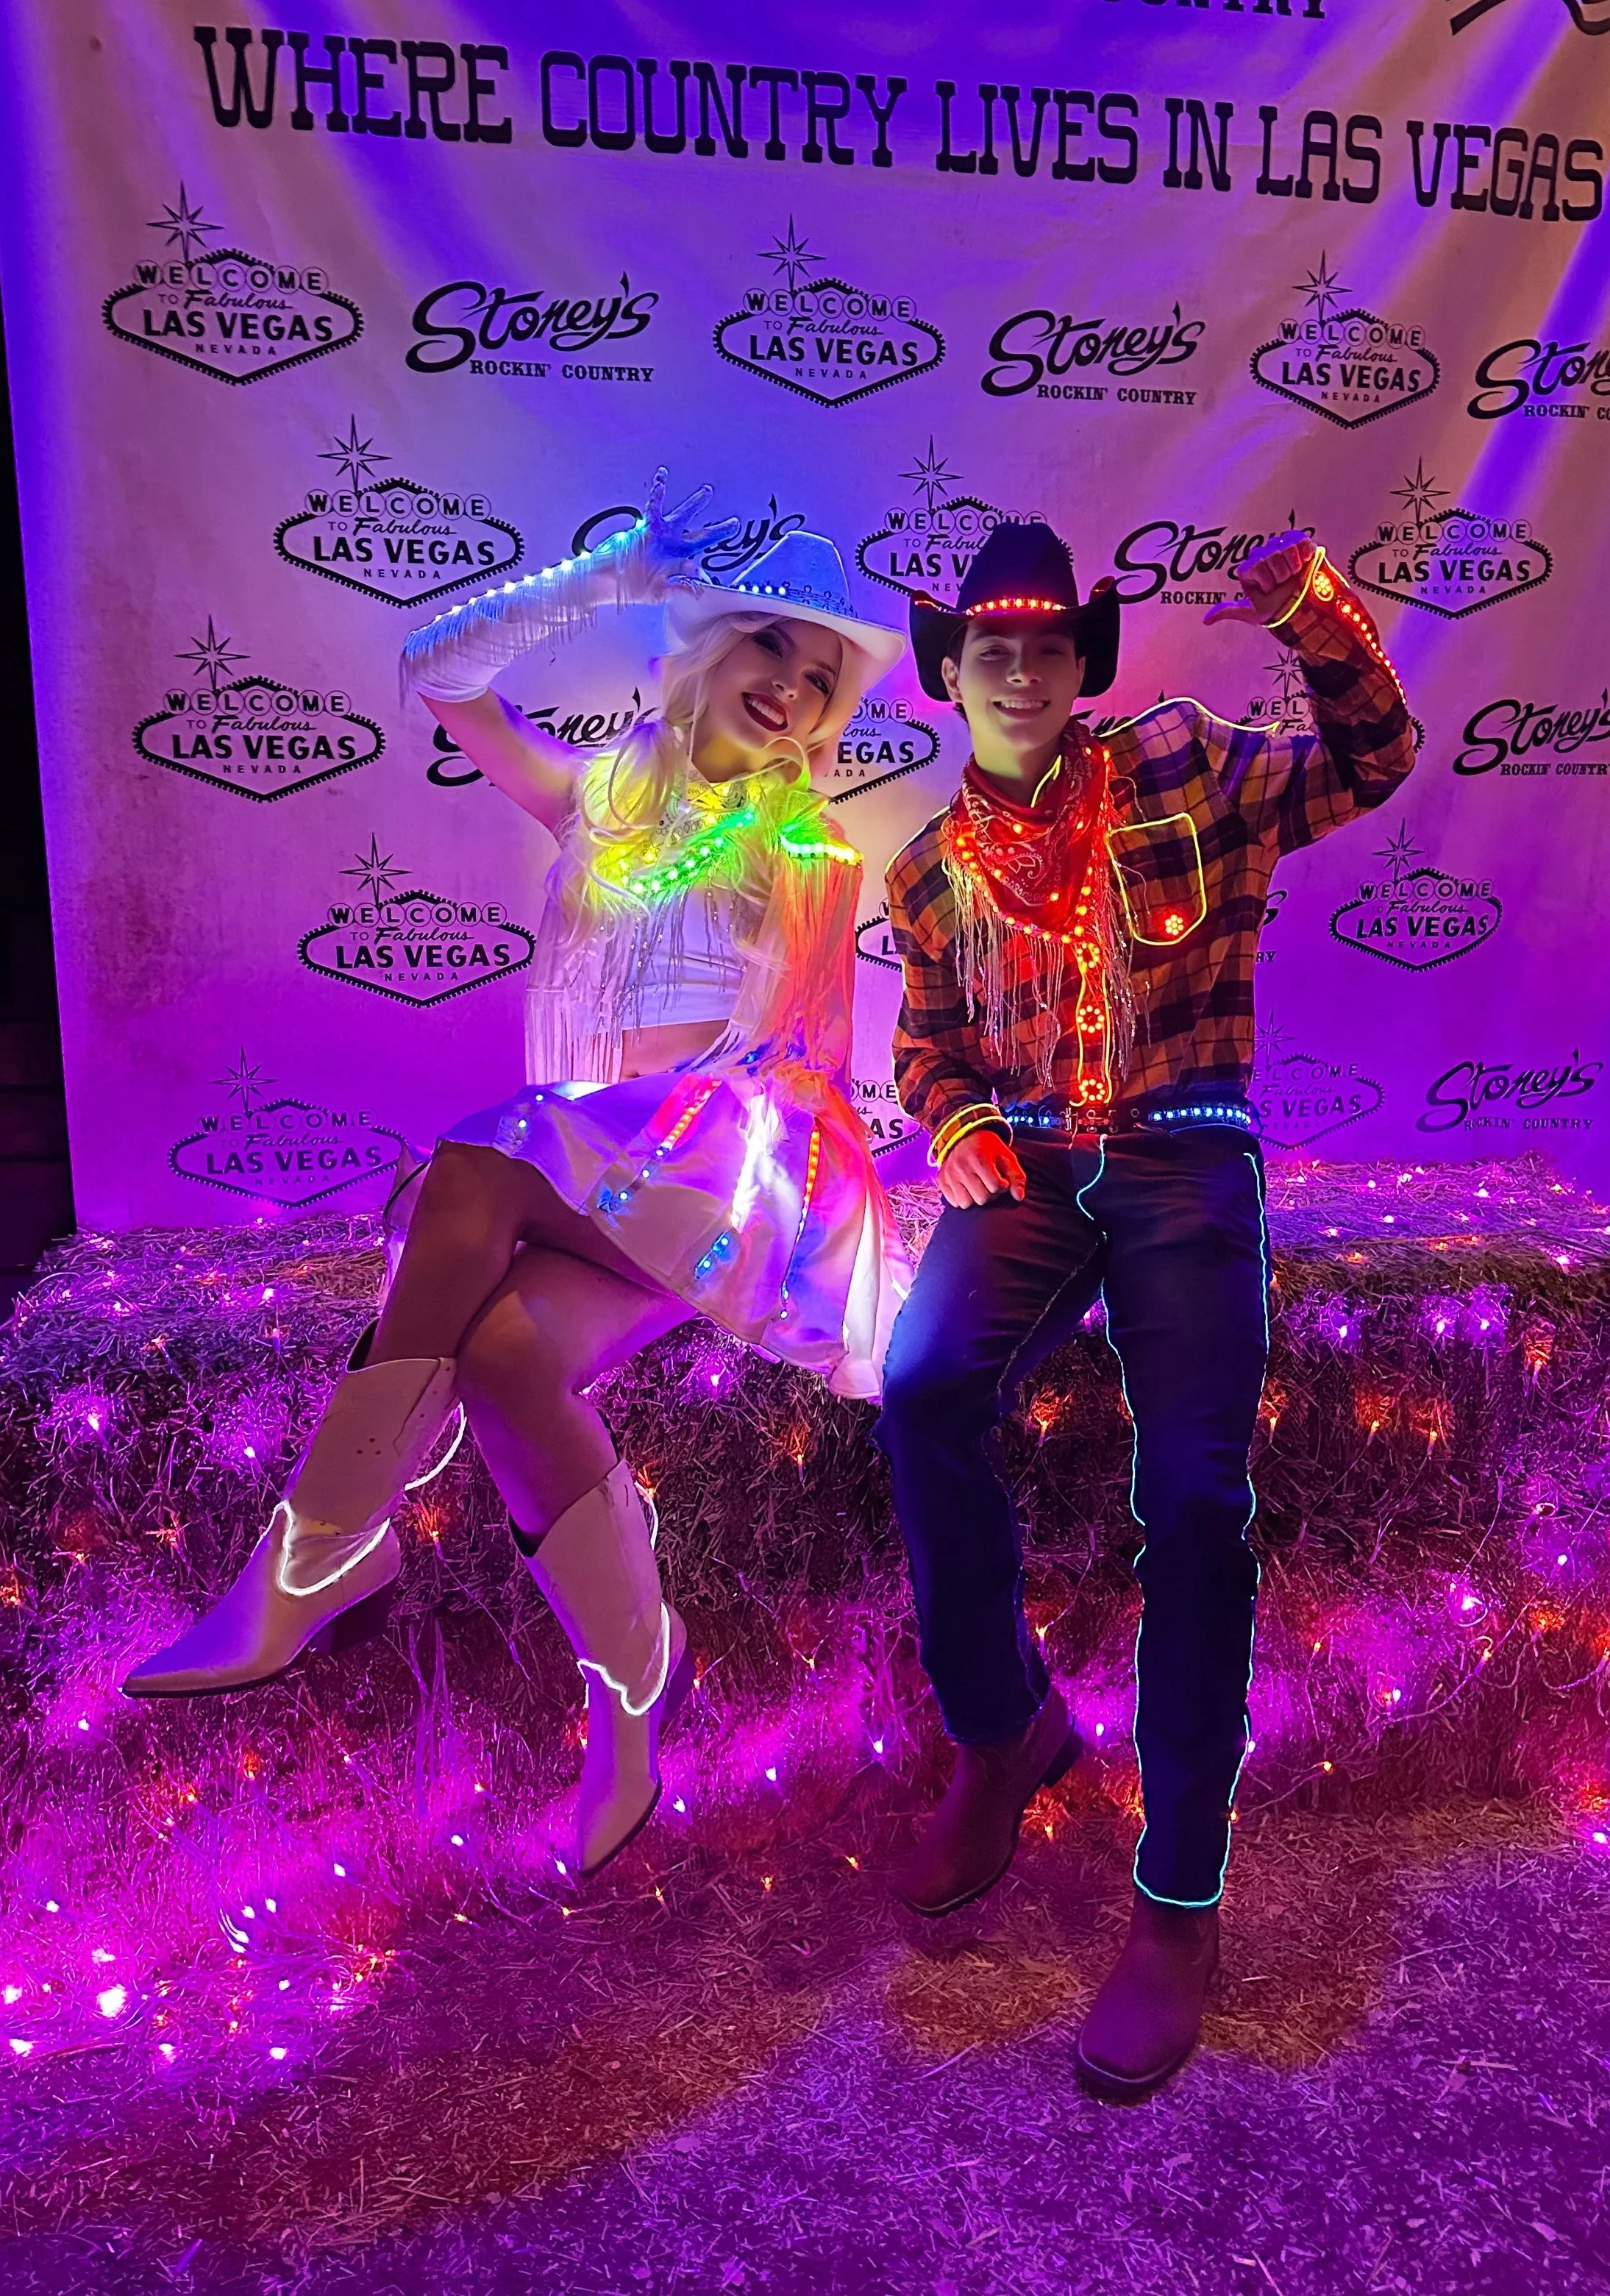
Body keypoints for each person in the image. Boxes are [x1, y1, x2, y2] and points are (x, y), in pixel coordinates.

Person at [127, 477, 913, 1879]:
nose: (790, 688)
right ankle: (635, 1686)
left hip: (725, 1177)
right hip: (594, 1175)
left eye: (820, 675)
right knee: (499, 1354)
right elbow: (443, 675)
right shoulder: (598, 802)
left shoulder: (808, 851)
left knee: (478, 1164)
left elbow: (807, 1065)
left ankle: (311, 1556)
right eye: (767, 651)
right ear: (704, 652)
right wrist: (598, 584)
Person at [875, 519, 1415, 2098]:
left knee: (1191, 1499)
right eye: (992, 650)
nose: (1021, 671)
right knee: (918, 1387)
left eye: (1047, 647)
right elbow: (925, 1049)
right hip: (1030, 1174)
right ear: (950, 676)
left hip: (1184, 1159)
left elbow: (1370, 762)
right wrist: (957, 1121)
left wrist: (1315, 614)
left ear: (1082, 665)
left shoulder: (1185, 761)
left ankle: (1177, 1895)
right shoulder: (922, 868)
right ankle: (1003, 1730)